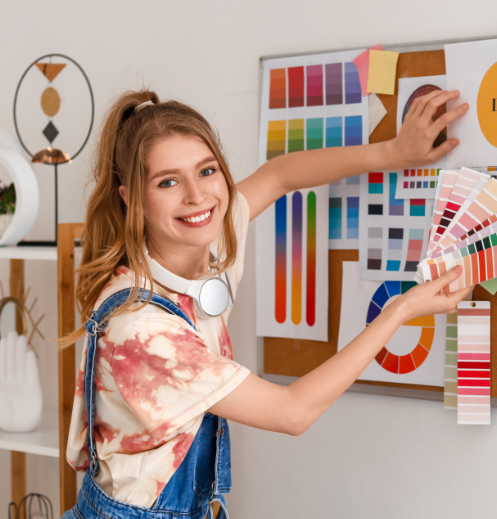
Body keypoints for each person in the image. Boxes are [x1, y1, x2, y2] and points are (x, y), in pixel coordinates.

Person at [61, 88, 473, 519]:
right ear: (132, 199)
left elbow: (280, 175)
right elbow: (292, 412)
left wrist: (392, 153)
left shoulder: (209, 238)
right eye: (168, 181)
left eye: (207, 171)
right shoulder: (141, 330)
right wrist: (399, 312)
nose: (197, 196)